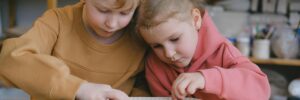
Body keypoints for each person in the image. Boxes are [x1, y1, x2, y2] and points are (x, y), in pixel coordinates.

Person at [0, 0, 149, 99]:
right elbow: (9, 59)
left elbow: (145, 84)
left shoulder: (140, 32)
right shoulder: (57, 21)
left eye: (124, 13)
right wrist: (80, 88)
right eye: (103, 10)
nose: (112, 24)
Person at [137, 0, 271, 99]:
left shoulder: (224, 52)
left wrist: (206, 78)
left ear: (195, 20)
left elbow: (261, 91)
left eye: (175, 39)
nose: (169, 53)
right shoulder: (154, 65)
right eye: (157, 46)